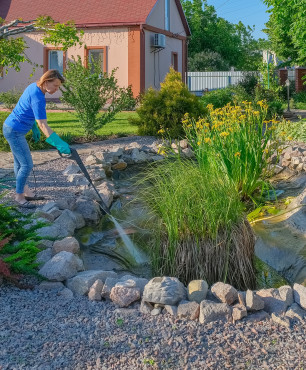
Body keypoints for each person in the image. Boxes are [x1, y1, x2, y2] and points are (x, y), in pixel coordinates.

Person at [2, 69, 71, 209]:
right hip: (14, 131)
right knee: (27, 165)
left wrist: (33, 127)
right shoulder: (38, 97)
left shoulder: (34, 86)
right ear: (46, 82)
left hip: (11, 127)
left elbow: (27, 108)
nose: (57, 89)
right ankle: (19, 197)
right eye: (55, 86)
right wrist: (58, 143)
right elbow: (43, 124)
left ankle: (25, 191)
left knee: (20, 164)